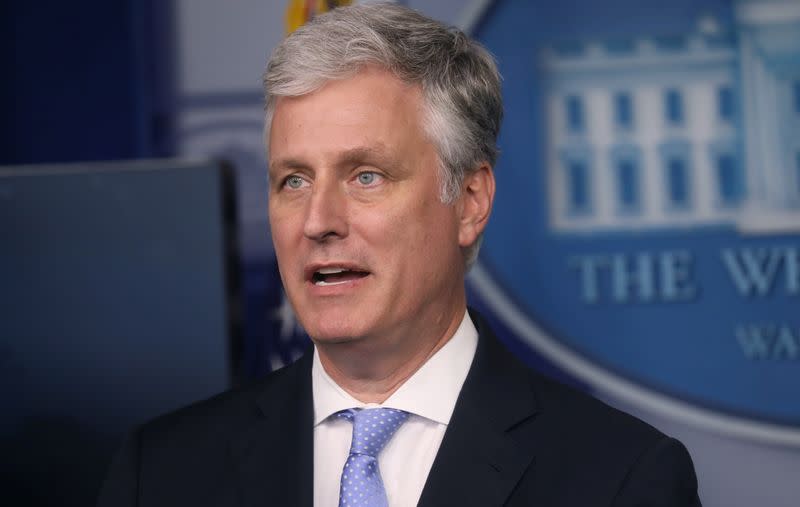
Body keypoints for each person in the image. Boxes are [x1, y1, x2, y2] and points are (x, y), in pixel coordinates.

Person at [98, 4, 702, 506]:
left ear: (469, 201)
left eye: (366, 176)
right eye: (294, 180)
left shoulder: (623, 479)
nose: (318, 222)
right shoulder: (159, 476)